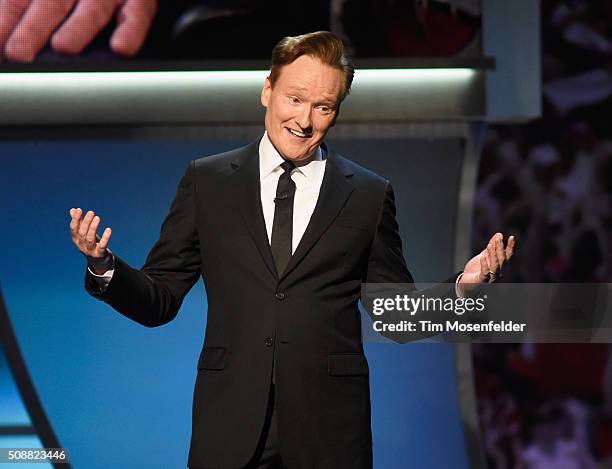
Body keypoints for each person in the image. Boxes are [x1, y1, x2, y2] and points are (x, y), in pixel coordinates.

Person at [68, 31, 514, 469]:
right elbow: (160, 299)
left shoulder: (367, 195)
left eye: (323, 107)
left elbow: (394, 314)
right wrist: (105, 268)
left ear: (336, 112)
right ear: (267, 91)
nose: (304, 120)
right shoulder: (209, 182)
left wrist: (463, 289)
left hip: (330, 434)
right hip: (230, 426)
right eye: (295, 99)